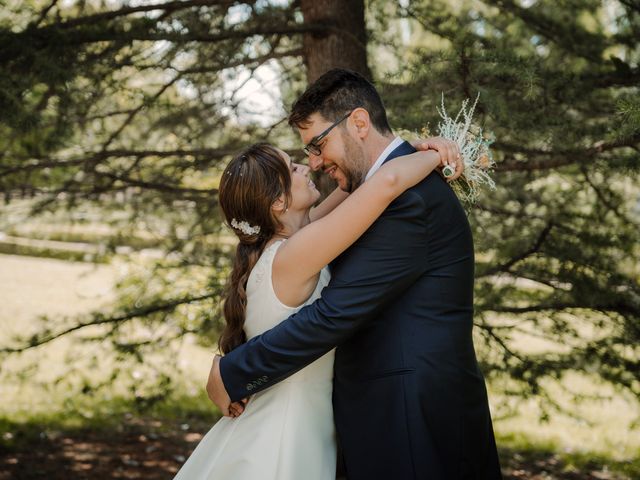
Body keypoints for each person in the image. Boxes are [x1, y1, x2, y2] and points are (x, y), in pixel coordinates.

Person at [207, 68, 502, 480]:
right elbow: (377, 185)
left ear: (359, 123)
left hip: (410, 423)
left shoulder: (408, 201)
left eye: (316, 145)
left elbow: (334, 313)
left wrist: (235, 371)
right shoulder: (367, 198)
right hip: (368, 420)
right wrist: (426, 152)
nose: (313, 163)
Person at [174, 137, 451, 479]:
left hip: (290, 422)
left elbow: (361, 182)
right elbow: (386, 183)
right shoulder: (294, 254)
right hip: (284, 434)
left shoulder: (288, 245)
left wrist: (409, 145)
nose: (307, 166)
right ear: (278, 202)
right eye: (292, 168)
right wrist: (440, 156)